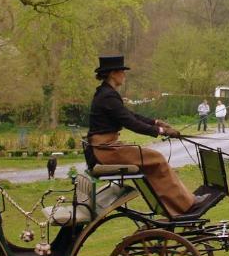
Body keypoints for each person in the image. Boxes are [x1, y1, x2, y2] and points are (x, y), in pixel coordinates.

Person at [85, 55, 203, 215]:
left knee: (152, 159)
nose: (124, 76)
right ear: (113, 73)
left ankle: (172, 206)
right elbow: (131, 123)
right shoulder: (108, 96)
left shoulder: (106, 93)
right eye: (122, 72)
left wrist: (155, 122)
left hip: (105, 148)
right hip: (105, 151)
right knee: (157, 159)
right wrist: (161, 131)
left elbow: (130, 115)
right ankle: (187, 205)